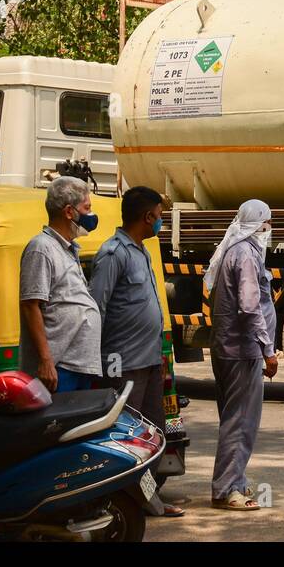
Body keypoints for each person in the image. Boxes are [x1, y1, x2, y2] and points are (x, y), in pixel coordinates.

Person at [89, 184, 185, 518]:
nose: (160, 222)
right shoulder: (113, 253)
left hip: (148, 361)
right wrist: (98, 361)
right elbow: (97, 308)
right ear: (146, 217)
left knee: (152, 435)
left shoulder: (141, 251)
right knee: (124, 439)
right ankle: (122, 504)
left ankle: (147, 499)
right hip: (123, 364)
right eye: (158, 216)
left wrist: (160, 356)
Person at [206, 199, 276, 511]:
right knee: (240, 422)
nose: (269, 229)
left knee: (232, 419)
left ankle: (234, 480)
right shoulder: (246, 254)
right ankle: (226, 491)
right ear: (259, 224)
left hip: (227, 348)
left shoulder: (233, 250)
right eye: (268, 222)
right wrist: (267, 349)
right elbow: (249, 306)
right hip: (242, 350)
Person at [19, 176, 102, 393]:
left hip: (78, 364)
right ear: (69, 212)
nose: (91, 215)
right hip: (59, 367)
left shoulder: (68, 248)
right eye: (87, 208)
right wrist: (46, 360)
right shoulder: (41, 248)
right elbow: (30, 305)